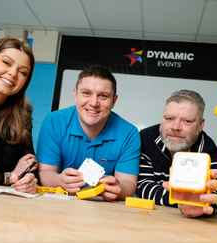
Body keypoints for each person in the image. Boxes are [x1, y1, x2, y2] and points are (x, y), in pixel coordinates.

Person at [37, 64, 140, 201]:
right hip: (58, 203)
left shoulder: (129, 133)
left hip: (104, 209)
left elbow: (128, 182)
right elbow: (46, 172)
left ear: (114, 101)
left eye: (103, 96)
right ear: (75, 94)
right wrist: (59, 180)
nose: (93, 103)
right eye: (86, 93)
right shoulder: (53, 122)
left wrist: (118, 189)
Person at [137, 89, 217, 217]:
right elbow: (143, 187)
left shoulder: (212, 153)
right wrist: (185, 199)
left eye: (187, 121)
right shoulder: (144, 140)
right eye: (169, 118)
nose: (176, 127)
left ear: (201, 125)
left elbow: (215, 197)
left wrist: (198, 203)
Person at [0, 37, 38, 193]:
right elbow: (15, 174)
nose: (13, 73)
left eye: (23, 72)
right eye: (7, 63)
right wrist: (9, 177)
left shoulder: (23, 114)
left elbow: (29, 162)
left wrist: (29, 179)